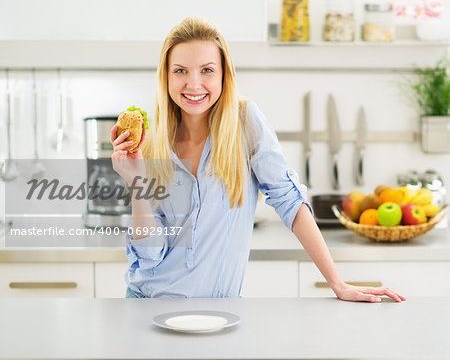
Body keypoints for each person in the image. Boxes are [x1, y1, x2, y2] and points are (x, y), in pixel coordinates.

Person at [110, 17, 405, 303]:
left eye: (207, 70)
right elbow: (150, 256)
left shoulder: (245, 123)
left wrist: (337, 283)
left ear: (225, 74)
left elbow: (290, 201)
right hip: (147, 303)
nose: (194, 83)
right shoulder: (151, 142)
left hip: (218, 313)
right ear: (166, 75)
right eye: (181, 71)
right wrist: (137, 181)